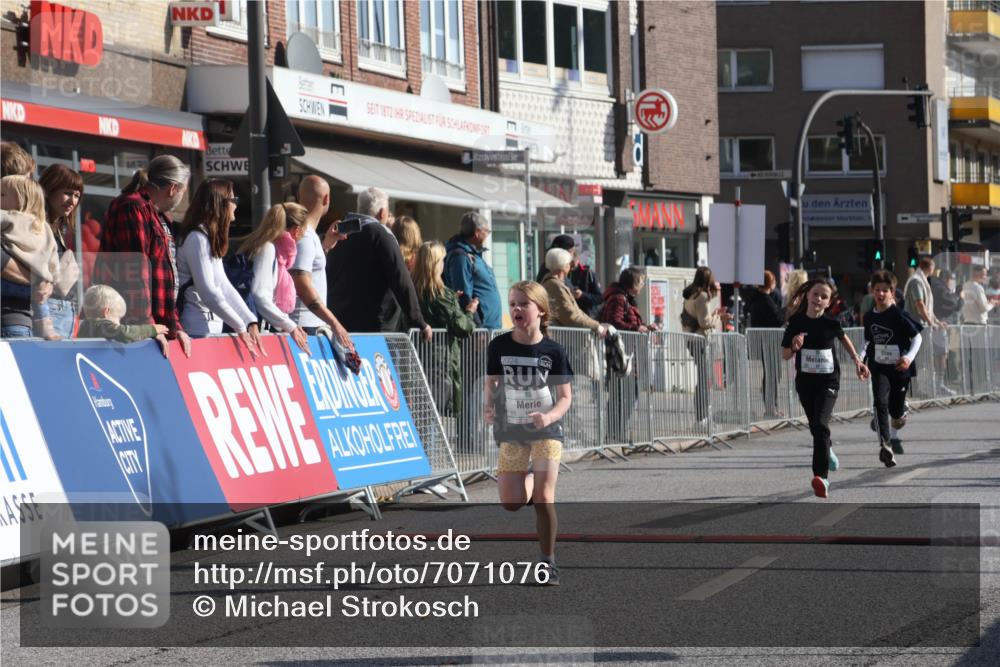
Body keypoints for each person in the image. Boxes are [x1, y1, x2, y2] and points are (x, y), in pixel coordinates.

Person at [484, 280, 572, 586]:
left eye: (524, 304)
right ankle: (533, 478)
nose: (517, 309)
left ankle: (548, 562)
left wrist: (548, 417)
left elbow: (565, 397)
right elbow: (492, 382)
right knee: (511, 501)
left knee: (545, 498)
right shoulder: (499, 345)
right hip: (512, 430)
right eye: (512, 304)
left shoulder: (553, 350)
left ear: (541, 310)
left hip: (547, 430)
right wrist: (488, 405)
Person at [96, 154, 192, 358]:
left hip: (153, 327)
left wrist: (176, 326)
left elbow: (166, 278)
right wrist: (146, 325)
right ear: (173, 188)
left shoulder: (159, 216)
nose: (181, 197)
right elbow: (133, 272)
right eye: (183, 191)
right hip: (131, 329)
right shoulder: (133, 207)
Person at [782, 278, 869, 498]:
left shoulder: (832, 323)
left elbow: (844, 340)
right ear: (807, 296)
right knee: (815, 428)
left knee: (821, 424)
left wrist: (858, 361)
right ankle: (827, 448)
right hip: (805, 383)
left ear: (829, 302)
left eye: (824, 296)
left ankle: (821, 478)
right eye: (815, 294)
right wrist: (794, 346)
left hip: (828, 382)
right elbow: (785, 355)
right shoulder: (796, 322)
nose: (818, 299)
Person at [326, 186, 432, 340]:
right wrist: (419, 321)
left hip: (339, 322)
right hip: (374, 327)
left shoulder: (338, 232)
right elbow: (401, 280)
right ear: (382, 213)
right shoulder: (381, 234)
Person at [175, 179, 263, 357]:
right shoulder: (197, 238)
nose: (236, 206)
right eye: (233, 200)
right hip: (196, 329)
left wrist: (250, 320)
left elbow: (223, 285)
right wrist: (240, 326)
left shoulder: (207, 237)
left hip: (211, 328)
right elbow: (209, 293)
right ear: (219, 204)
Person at [862, 270, 922, 462]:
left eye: (885, 290)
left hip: (899, 369)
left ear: (892, 292)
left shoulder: (898, 314)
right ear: (872, 291)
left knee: (895, 412)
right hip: (879, 366)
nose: (881, 294)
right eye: (877, 290)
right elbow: (868, 342)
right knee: (880, 403)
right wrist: (859, 358)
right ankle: (885, 445)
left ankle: (901, 410)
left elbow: (917, 337)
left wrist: (909, 358)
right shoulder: (869, 317)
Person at [235, 202, 311, 353]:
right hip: (253, 333)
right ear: (296, 231)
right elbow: (261, 296)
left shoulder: (265, 247)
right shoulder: (268, 249)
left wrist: (286, 323)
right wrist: (290, 326)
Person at [412, 241, 476, 416]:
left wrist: (452, 302)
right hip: (440, 359)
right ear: (434, 264)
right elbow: (463, 327)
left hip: (418, 355)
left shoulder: (412, 289)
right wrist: (469, 312)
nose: (443, 265)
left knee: (422, 410)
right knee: (434, 411)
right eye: (441, 261)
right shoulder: (440, 293)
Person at [289, 176, 352, 352]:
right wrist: (334, 322)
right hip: (304, 328)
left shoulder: (308, 235)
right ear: (326, 199)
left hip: (304, 326)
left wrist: (325, 246)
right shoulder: (306, 237)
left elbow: (306, 269)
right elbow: (302, 283)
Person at [1, 175, 63, 339]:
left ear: (21, 200)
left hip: (7, 284)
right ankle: (46, 327)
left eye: (2, 195)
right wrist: (52, 279)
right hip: (32, 296)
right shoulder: (43, 226)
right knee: (40, 300)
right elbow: (53, 255)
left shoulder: (7, 216)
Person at [599, 267, 648, 441]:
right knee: (622, 396)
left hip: (625, 353)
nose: (642, 285)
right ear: (633, 283)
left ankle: (617, 433)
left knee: (625, 396)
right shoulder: (618, 299)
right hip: (619, 355)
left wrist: (643, 328)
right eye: (641, 282)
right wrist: (636, 328)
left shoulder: (624, 298)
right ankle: (614, 434)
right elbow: (613, 322)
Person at [681, 267, 733, 425]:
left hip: (693, 340)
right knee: (704, 380)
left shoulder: (691, 295)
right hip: (700, 341)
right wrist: (719, 317)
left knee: (703, 379)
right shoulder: (702, 296)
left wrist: (715, 314)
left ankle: (702, 416)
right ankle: (701, 417)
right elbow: (705, 323)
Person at [38, 164, 84, 338]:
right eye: (68, 192)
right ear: (49, 190)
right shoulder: (37, 225)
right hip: (49, 311)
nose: (72, 201)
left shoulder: (57, 228)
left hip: (64, 311)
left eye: (77, 195)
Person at [443, 211, 502, 330]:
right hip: (480, 330)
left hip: (490, 328)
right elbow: (463, 295)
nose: (487, 235)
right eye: (487, 231)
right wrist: (477, 327)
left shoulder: (474, 254)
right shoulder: (460, 257)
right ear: (477, 233)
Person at [77, 284, 169, 356]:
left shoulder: (85, 326)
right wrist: (153, 330)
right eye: (118, 318)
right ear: (106, 312)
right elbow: (124, 333)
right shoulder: (102, 325)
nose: (119, 323)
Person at [904, 256, 950, 395]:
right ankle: (915, 388)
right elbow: (920, 305)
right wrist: (931, 323)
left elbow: (927, 308)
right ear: (929, 267)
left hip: (921, 325)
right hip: (916, 326)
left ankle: (919, 388)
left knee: (922, 358)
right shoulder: (917, 281)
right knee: (918, 358)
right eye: (933, 268)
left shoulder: (921, 280)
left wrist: (936, 321)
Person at [748, 270, 784, 418]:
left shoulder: (756, 298)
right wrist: (789, 310)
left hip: (763, 341)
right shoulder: (765, 299)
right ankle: (770, 408)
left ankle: (771, 406)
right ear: (771, 283)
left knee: (772, 373)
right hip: (768, 342)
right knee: (773, 374)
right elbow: (778, 318)